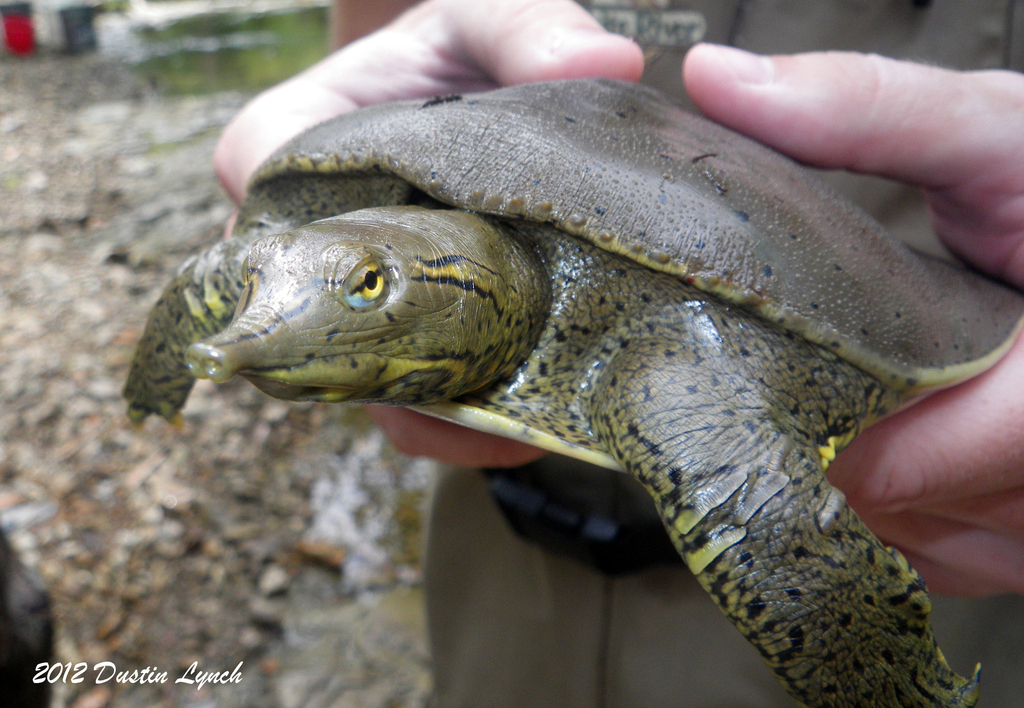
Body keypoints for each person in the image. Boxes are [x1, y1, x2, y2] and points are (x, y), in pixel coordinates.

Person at [214, 0, 1024, 704]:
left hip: (943, 547)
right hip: (505, 578)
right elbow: (242, 256)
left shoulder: (650, 365)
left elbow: (771, 528)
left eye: (365, 288)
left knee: (762, 531)